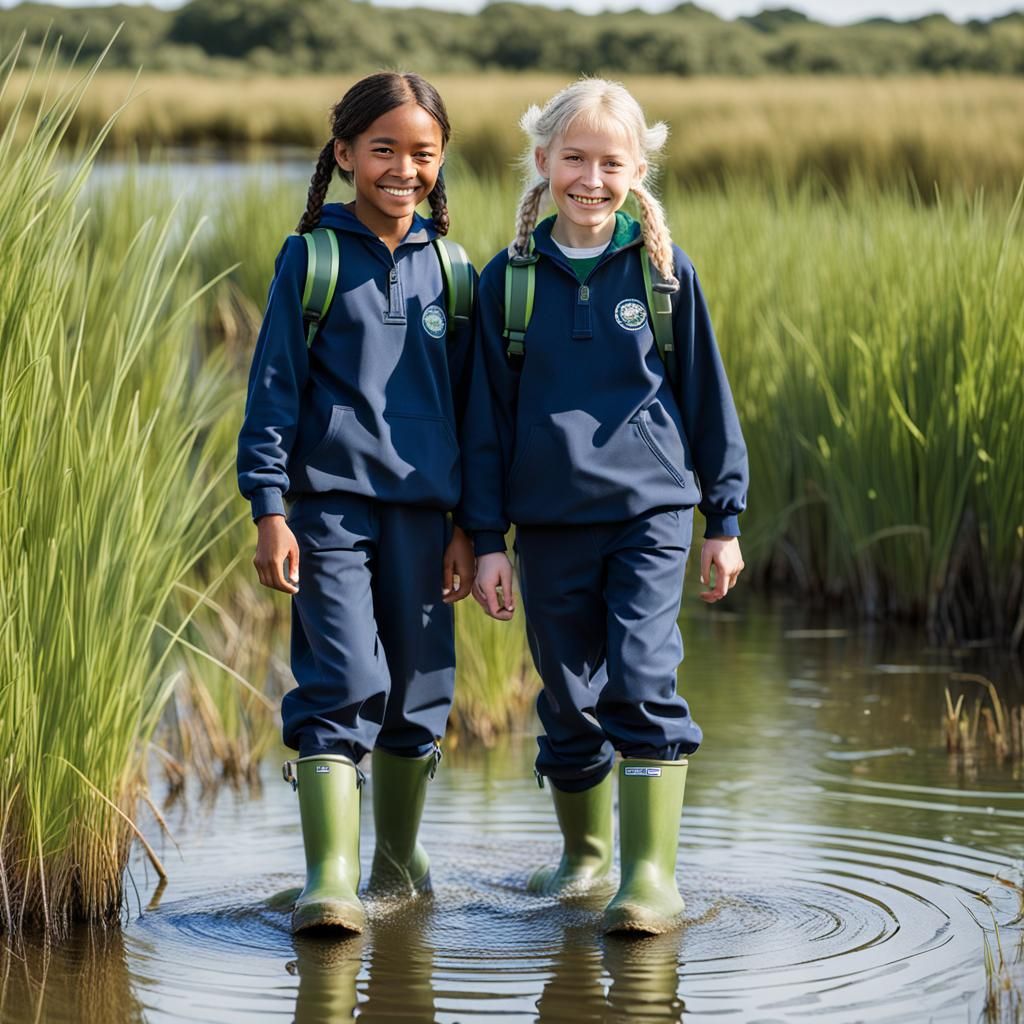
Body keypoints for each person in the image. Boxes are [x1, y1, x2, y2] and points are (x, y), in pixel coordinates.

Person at [461, 79, 748, 935]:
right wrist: (487, 540)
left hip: (651, 514)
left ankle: (649, 880)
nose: (591, 178)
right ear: (541, 161)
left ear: (638, 170)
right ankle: (583, 860)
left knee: (643, 675)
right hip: (546, 522)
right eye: (574, 159)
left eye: (610, 162)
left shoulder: (663, 274)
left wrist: (723, 523)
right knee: (566, 695)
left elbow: (707, 402)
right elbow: (485, 426)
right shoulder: (505, 283)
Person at [236, 71, 477, 935]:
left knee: (418, 695)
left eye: (423, 152)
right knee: (344, 681)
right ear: (344, 156)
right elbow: (273, 392)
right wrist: (269, 507)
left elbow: (473, 412)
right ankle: (329, 884)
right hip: (327, 511)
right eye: (383, 150)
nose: (403, 168)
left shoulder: (456, 271)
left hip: (425, 516)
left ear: (441, 161)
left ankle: (398, 870)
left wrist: (471, 529)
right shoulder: (312, 259)